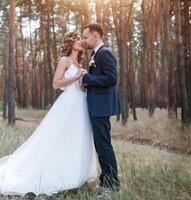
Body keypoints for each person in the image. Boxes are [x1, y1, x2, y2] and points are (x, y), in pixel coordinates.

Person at [0, 32, 101, 197]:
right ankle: (54, 174)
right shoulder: (64, 60)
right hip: (69, 104)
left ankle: (75, 174)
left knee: (77, 138)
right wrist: (75, 77)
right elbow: (56, 84)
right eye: (78, 39)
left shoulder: (79, 63)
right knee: (59, 139)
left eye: (81, 40)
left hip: (81, 104)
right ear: (70, 42)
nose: (81, 42)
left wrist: (84, 80)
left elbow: (80, 85)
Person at [81, 23, 121, 196]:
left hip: (101, 107)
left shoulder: (104, 53)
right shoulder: (95, 54)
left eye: (85, 36)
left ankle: (112, 185)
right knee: (100, 145)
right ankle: (106, 180)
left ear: (96, 36)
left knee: (104, 145)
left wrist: (87, 78)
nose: (84, 40)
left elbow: (112, 79)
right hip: (97, 106)